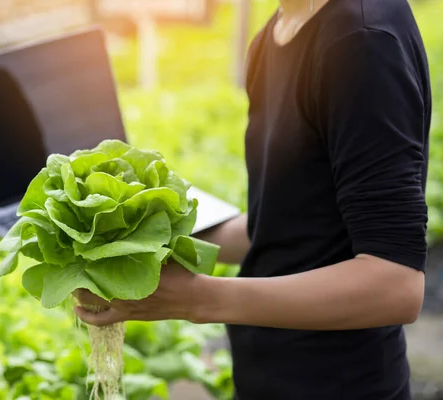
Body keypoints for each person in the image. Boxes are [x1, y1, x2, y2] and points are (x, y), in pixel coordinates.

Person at [75, 0, 432, 398]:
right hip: (267, 376)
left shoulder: (362, 42)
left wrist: (196, 299)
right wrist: (141, 239)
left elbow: (394, 283)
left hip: (339, 385)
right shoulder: (277, 31)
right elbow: (286, 226)